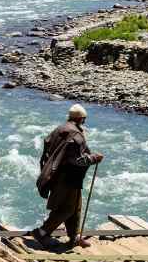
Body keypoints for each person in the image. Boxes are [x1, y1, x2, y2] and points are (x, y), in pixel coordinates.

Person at [31, 104, 103, 249]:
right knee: (66, 209)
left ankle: (73, 237)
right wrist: (94, 158)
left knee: (75, 206)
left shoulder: (60, 128)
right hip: (68, 177)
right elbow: (76, 160)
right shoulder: (75, 135)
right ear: (81, 119)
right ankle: (42, 232)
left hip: (56, 173)